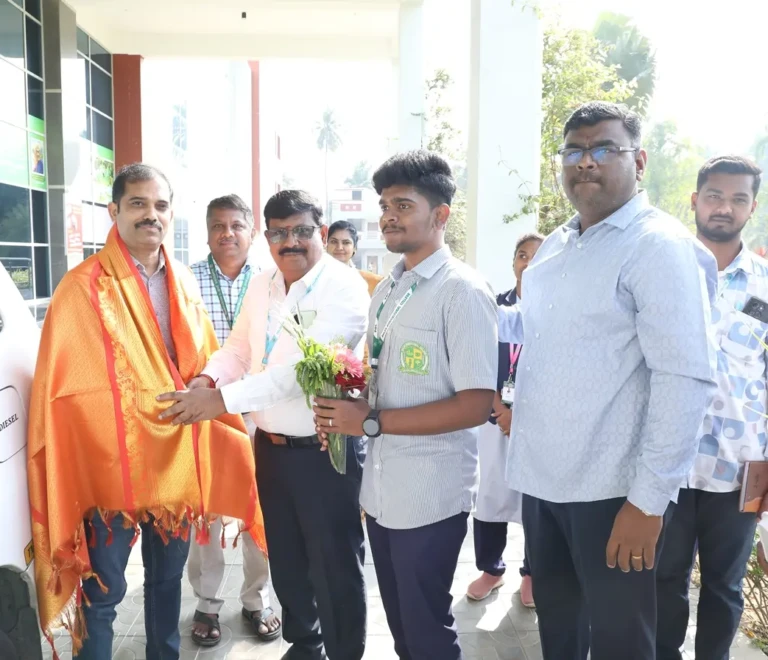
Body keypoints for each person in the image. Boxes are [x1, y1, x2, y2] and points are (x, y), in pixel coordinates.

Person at [496, 102, 717, 660]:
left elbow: (684, 376)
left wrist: (647, 502)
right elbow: (540, 336)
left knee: (620, 643)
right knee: (561, 636)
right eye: (573, 151)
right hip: (546, 487)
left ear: (638, 160)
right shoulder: (555, 247)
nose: (585, 163)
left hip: (613, 494)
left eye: (603, 149)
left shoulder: (657, 246)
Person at [26, 164, 264, 659]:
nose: (149, 215)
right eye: (137, 204)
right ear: (114, 211)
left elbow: (200, 360)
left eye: (159, 206)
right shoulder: (81, 289)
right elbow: (66, 389)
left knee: (165, 583)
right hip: (112, 464)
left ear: (170, 215)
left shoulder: (184, 283)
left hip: (175, 458)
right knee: (105, 591)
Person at [157, 190, 370, 660]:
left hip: (324, 451)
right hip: (270, 450)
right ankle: (306, 646)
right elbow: (238, 349)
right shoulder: (264, 283)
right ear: (267, 237)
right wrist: (206, 378)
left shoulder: (345, 286)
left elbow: (296, 375)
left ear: (320, 229)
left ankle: (344, 653)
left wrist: (221, 400)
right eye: (278, 232)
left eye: (300, 230)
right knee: (289, 563)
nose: (289, 241)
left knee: (333, 566)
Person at [313, 150, 498, 660]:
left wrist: (369, 421)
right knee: (401, 628)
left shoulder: (462, 292)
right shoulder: (389, 288)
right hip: (383, 491)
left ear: (440, 216)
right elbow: (381, 374)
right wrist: (348, 397)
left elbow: (476, 404)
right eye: (384, 204)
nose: (388, 215)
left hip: (431, 495)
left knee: (427, 630)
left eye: (403, 204)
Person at [656, 156, 766, 660]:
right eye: (715, 196)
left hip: (742, 468)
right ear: (695, 200)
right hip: (666, 464)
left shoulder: (765, 284)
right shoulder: (664, 273)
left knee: (724, 588)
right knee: (662, 579)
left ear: (752, 207)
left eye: (738, 198)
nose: (725, 207)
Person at [186, 194, 281, 647]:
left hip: (261, 413)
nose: (228, 233)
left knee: (257, 509)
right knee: (206, 512)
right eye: (218, 226)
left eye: (237, 225)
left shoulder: (271, 282)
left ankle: (256, 599)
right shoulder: (184, 282)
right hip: (207, 415)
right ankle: (207, 603)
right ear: (206, 233)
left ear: (252, 232)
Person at [468, 232, 543, 608]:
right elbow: (479, 363)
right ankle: (491, 569)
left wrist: (522, 416)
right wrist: (501, 409)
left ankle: (531, 573)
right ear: (514, 262)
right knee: (490, 493)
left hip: (537, 423)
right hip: (495, 416)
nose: (528, 262)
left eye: (536, 256)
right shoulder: (495, 307)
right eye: (522, 255)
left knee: (536, 499)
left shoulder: (554, 314)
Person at [327, 219, 383, 295]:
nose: (339, 247)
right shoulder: (313, 280)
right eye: (334, 242)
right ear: (326, 245)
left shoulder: (374, 282)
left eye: (346, 243)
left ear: (355, 248)